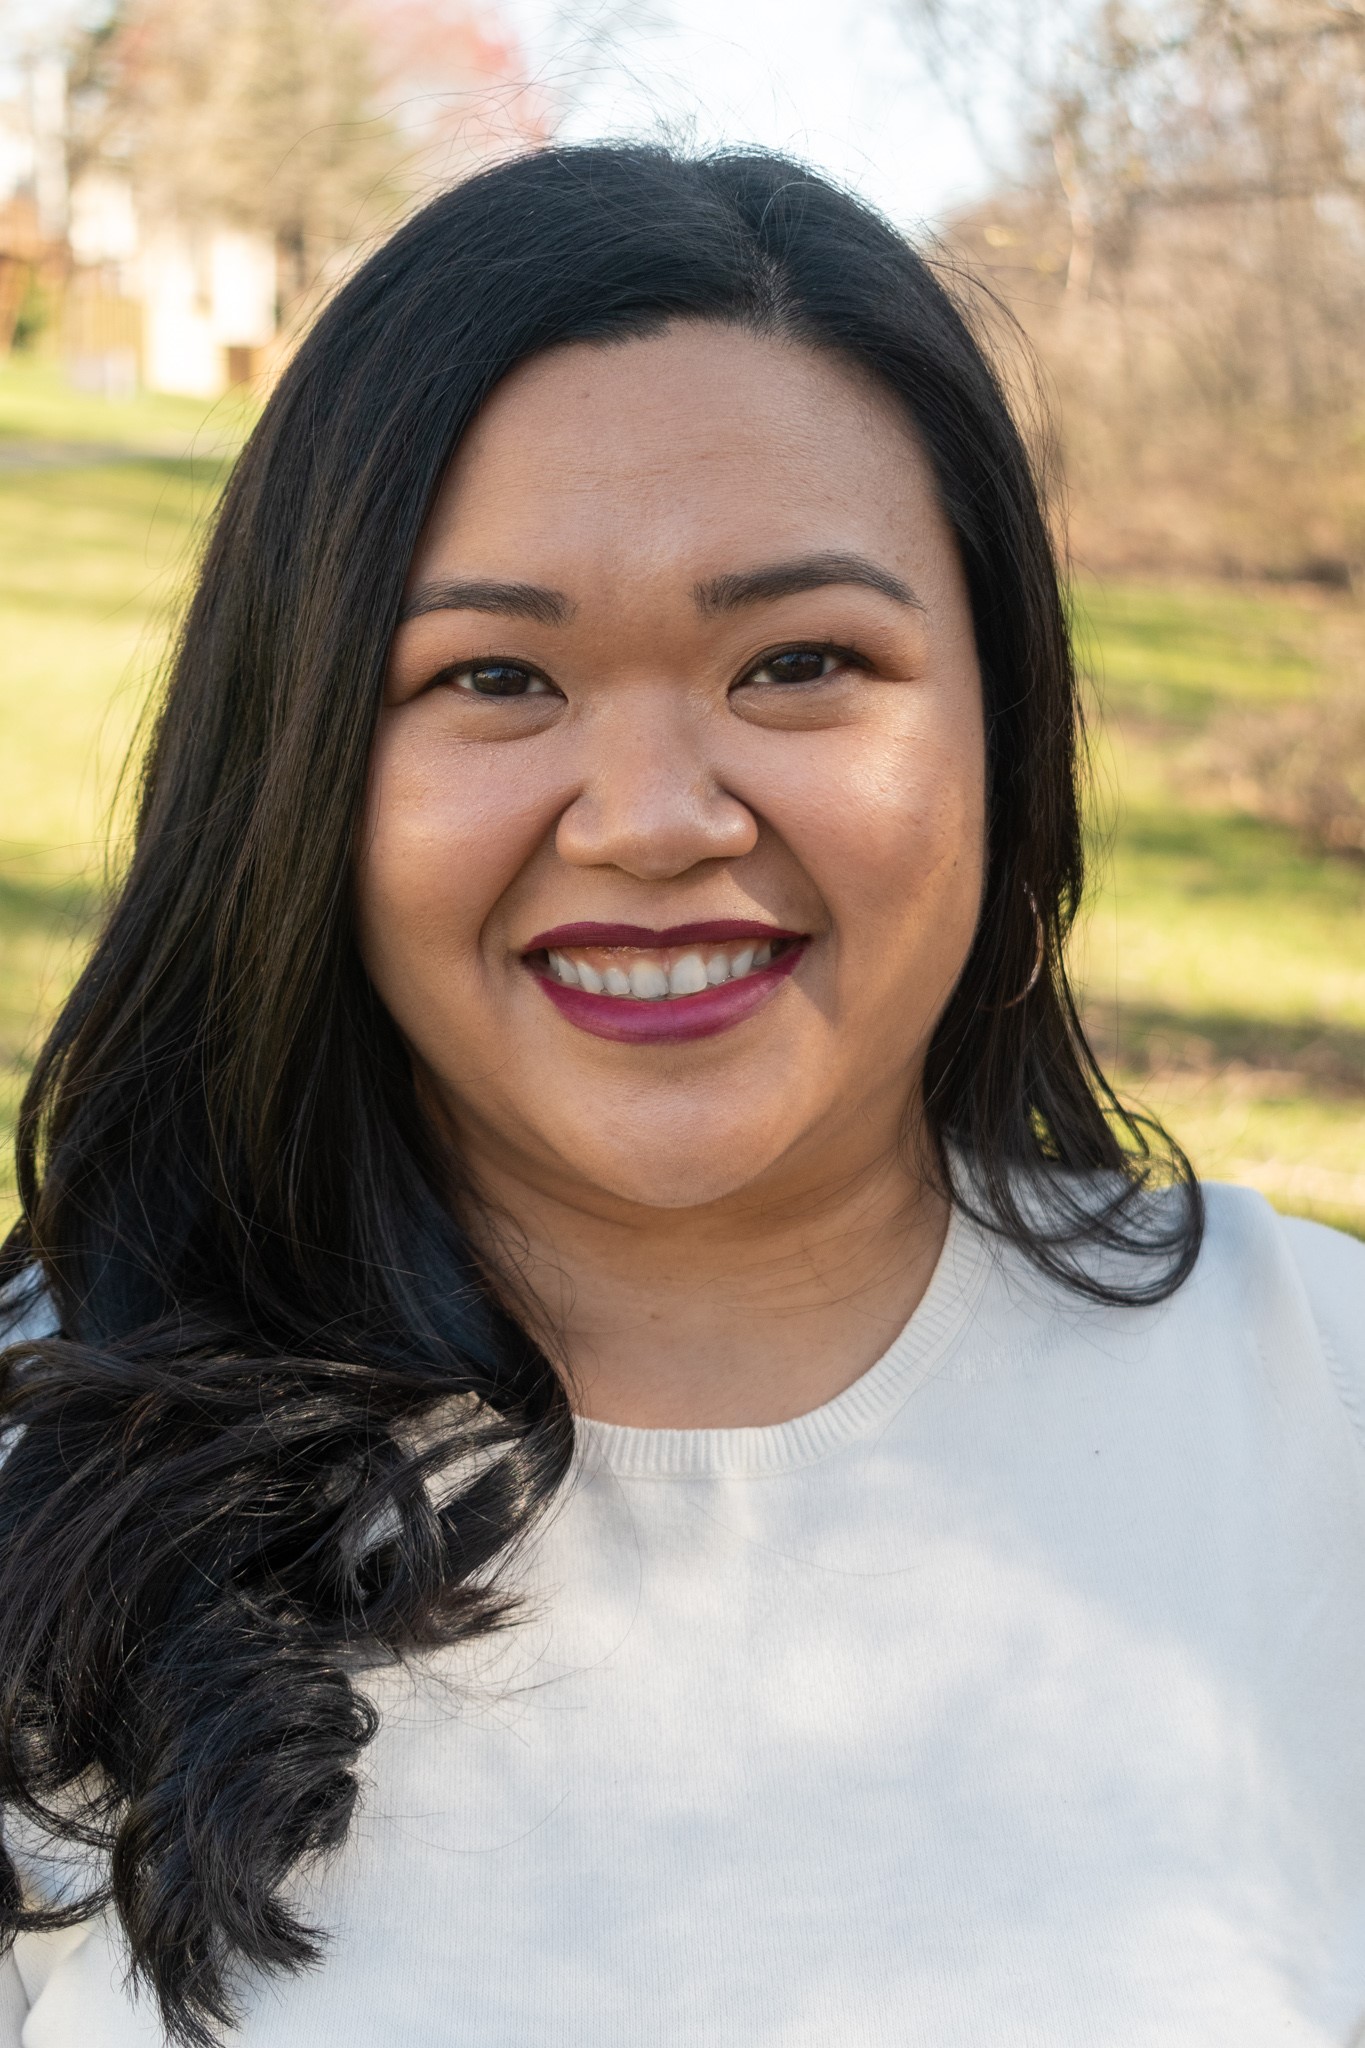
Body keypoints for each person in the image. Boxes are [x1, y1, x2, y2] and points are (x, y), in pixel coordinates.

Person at [0, 141, 1361, 2048]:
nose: (651, 820)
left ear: (1005, 728)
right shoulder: (43, 1470)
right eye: (493, 677)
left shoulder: (1322, 1406)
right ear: (299, 762)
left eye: (801, 662)